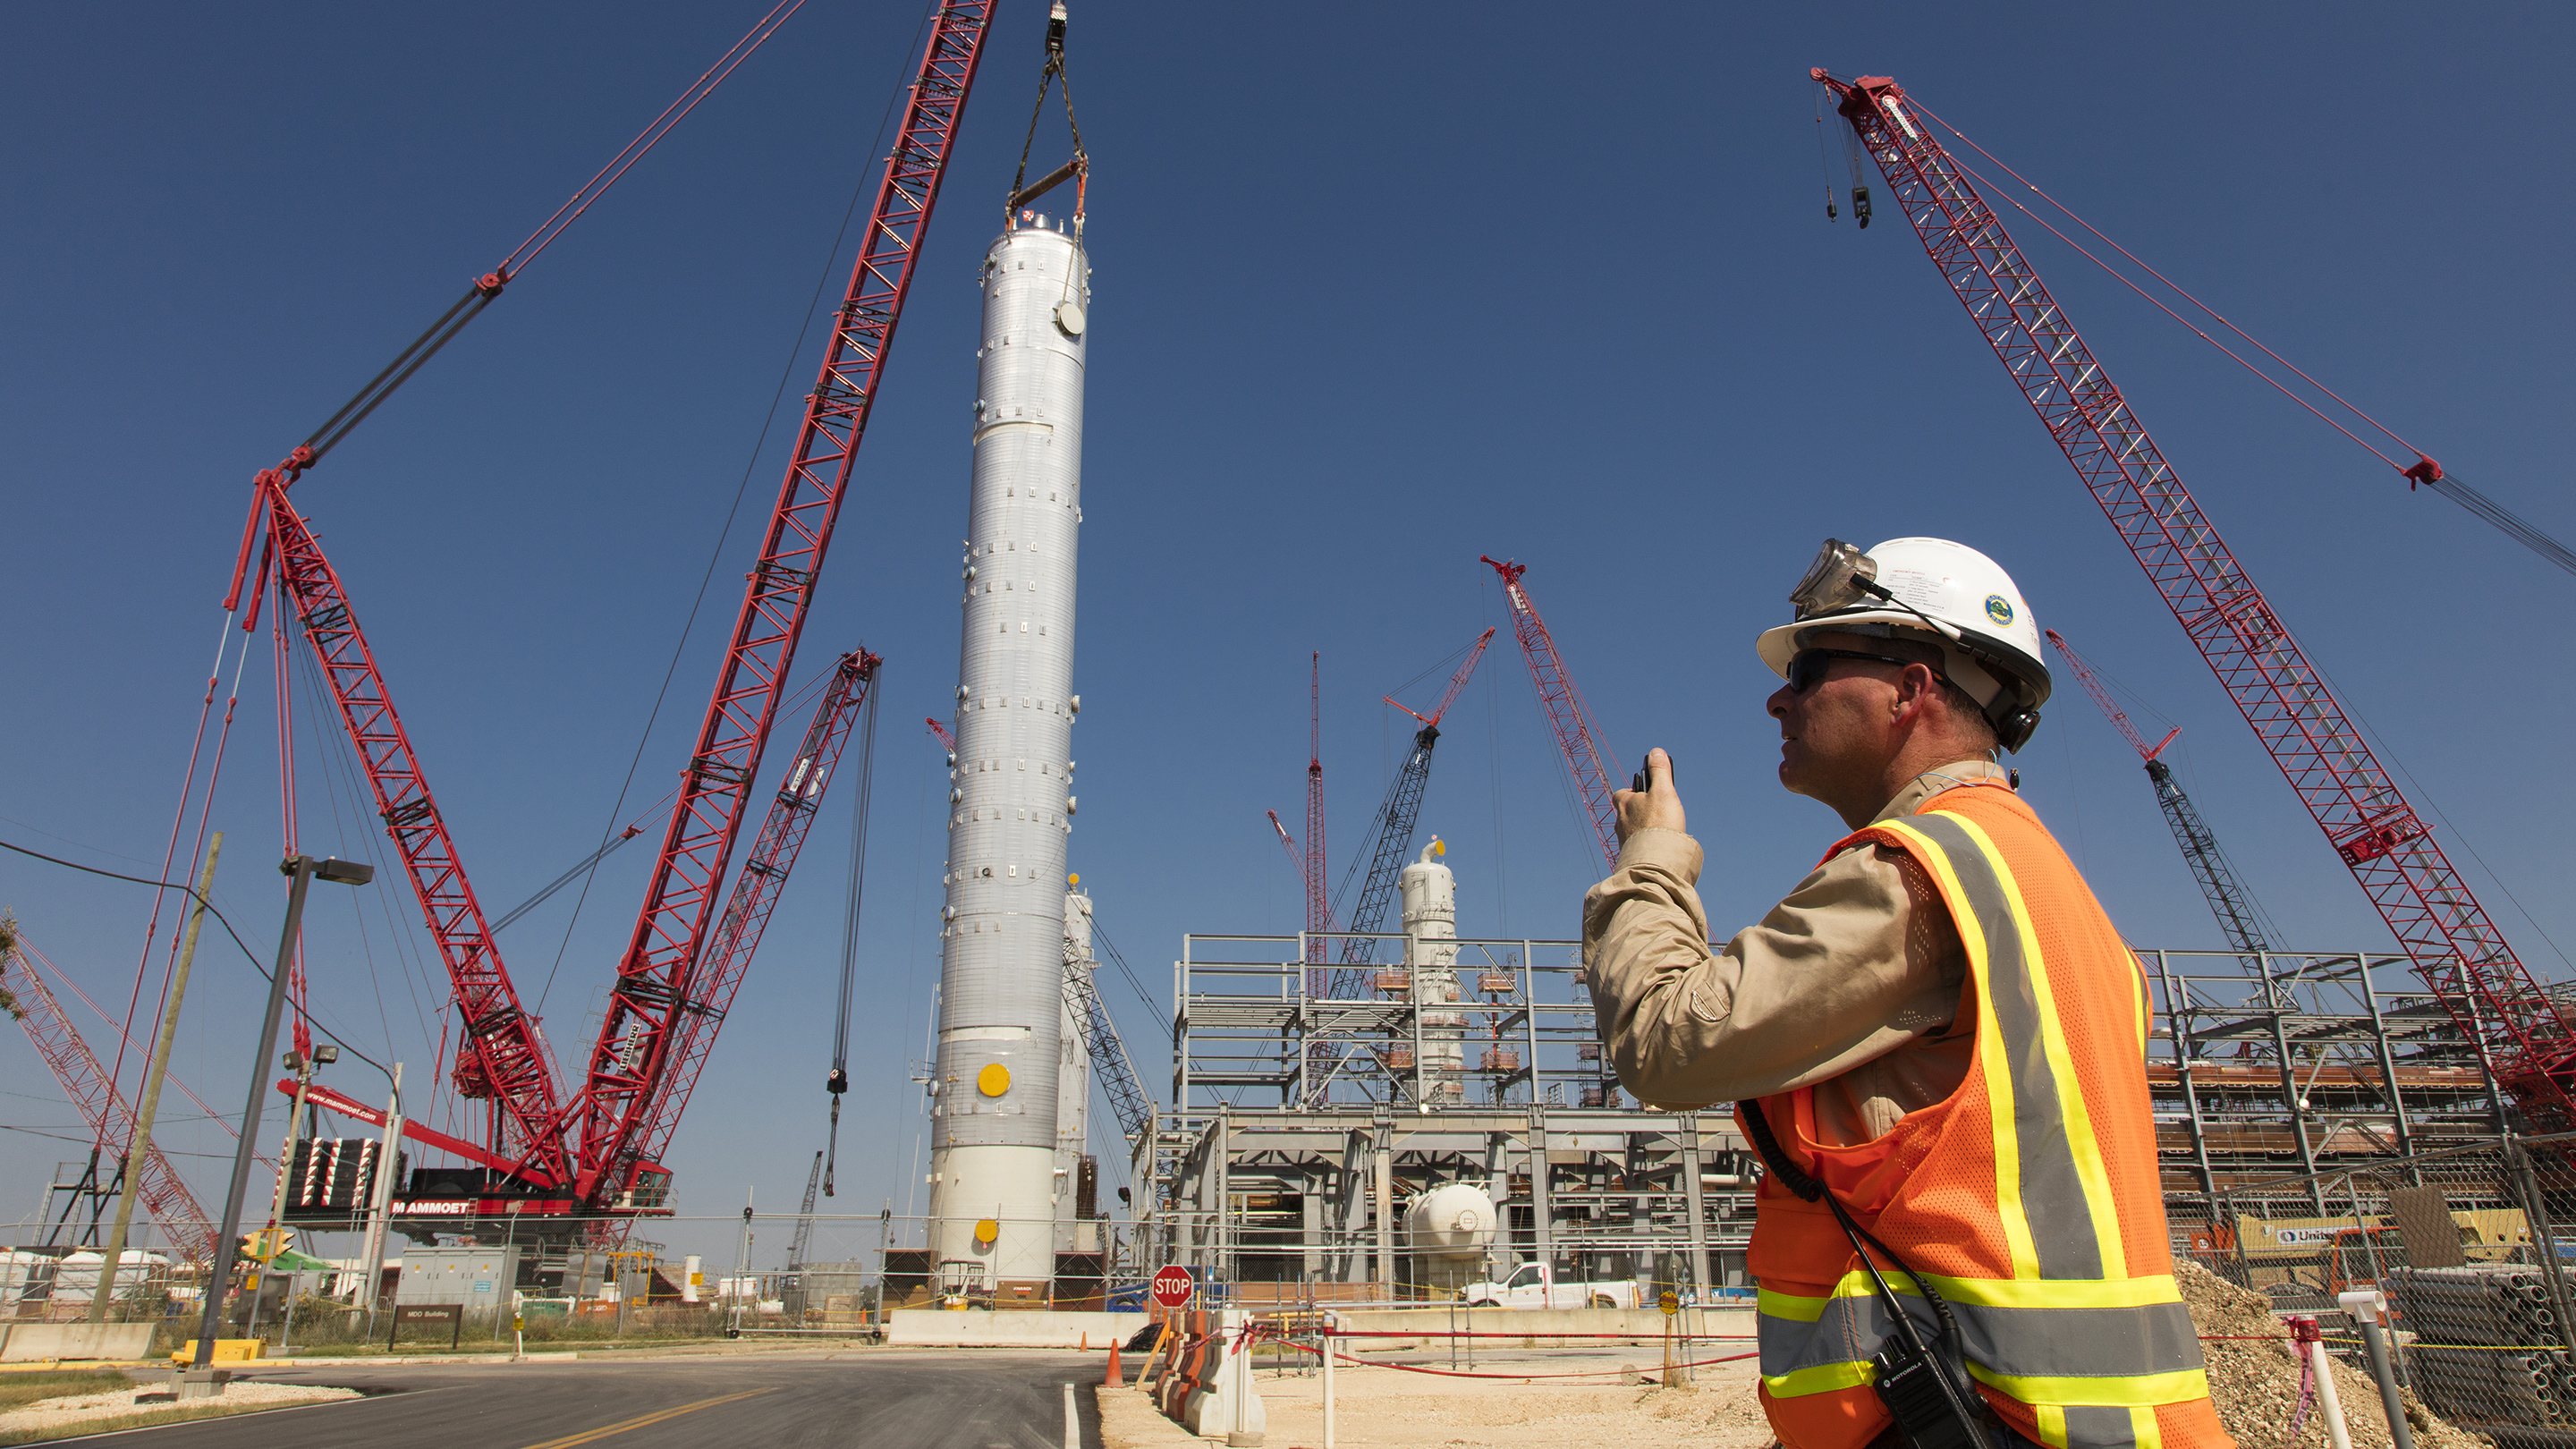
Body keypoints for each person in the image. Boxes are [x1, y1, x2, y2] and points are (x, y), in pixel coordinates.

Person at [1583, 538, 2228, 1449]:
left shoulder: (1921, 874)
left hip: (1978, 1420)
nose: (1778, 696)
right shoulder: (2045, 887)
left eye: (1808, 670)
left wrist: (1651, 859)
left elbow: (1666, 1043)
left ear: (1910, 689)